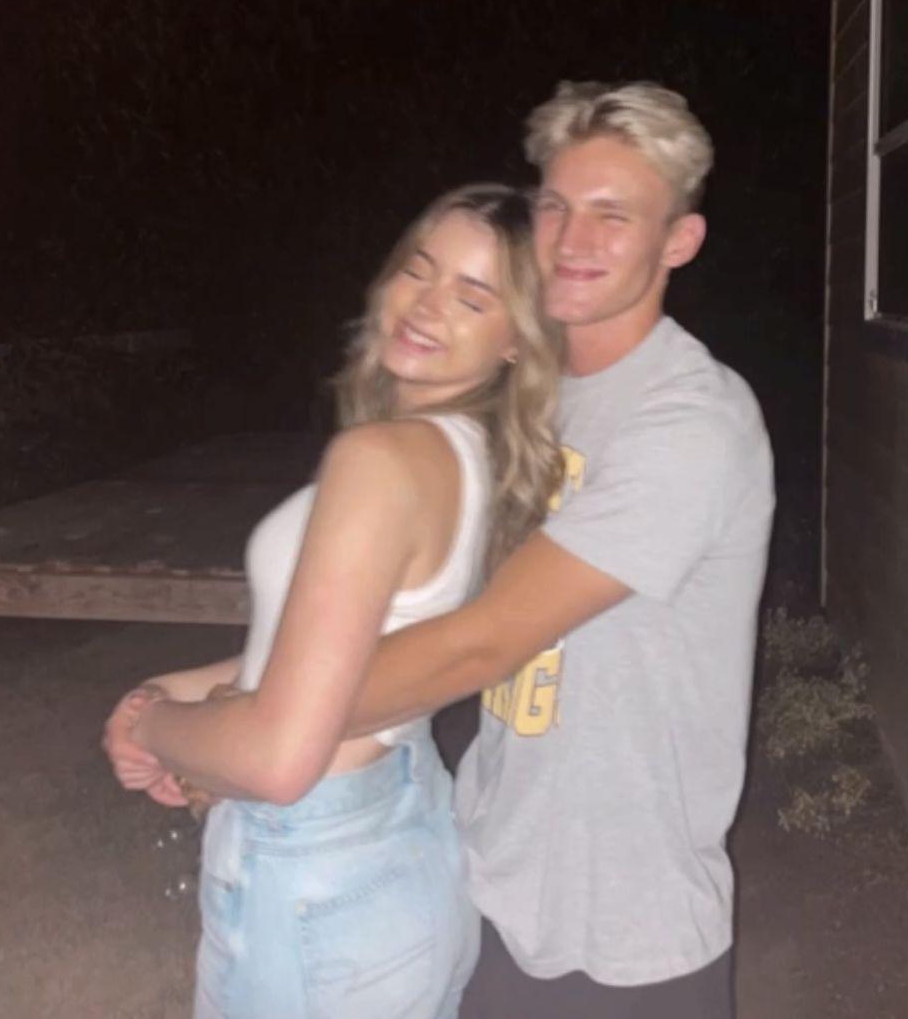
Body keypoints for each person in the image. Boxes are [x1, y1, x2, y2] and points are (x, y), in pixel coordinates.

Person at [304, 81, 776, 1017]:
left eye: (613, 215)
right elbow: (401, 605)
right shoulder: (526, 395)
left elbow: (480, 642)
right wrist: (210, 683)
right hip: (491, 875)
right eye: (555, 206)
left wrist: (263, 725)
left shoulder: (692, 421)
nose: (570, 239)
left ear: (678, 241)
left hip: (630, 932)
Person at [103, 183, 563, 1019]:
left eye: (472, 297)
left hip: (314, 873)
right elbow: (337, 650)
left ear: (516, 343)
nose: (427, 304)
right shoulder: (472, 459)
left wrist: (154, 725)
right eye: (418, 269)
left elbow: (280, 759)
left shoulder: (380, 459)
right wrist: (180, 689)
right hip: (402, 845)